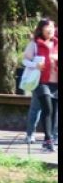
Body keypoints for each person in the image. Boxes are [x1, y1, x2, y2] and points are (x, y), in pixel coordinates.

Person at [22, 19, 58, 152]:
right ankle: (47, 139)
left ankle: (50, 139)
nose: (51, 29)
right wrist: (35, 65)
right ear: (41, 29)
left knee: (54, 112)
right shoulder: (35, 44)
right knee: (47, 109)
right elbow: (25, 60)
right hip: (41, 82)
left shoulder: (57, 43)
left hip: (56, 83)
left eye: (52, 27)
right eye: (48, 27)